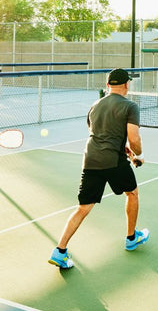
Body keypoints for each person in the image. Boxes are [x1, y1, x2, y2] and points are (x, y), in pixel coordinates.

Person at [49, 68, 148, 270]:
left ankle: (59, 251)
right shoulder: (130, 106)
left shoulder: (95, 105)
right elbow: (134, 138)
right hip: (113, 160)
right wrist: (138, 155)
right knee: (132, 193)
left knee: (83, 207)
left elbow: (97, 131)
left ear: (108, 85)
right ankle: (131, 238)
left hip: (91, 158)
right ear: (127, 84)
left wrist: (122, 146)